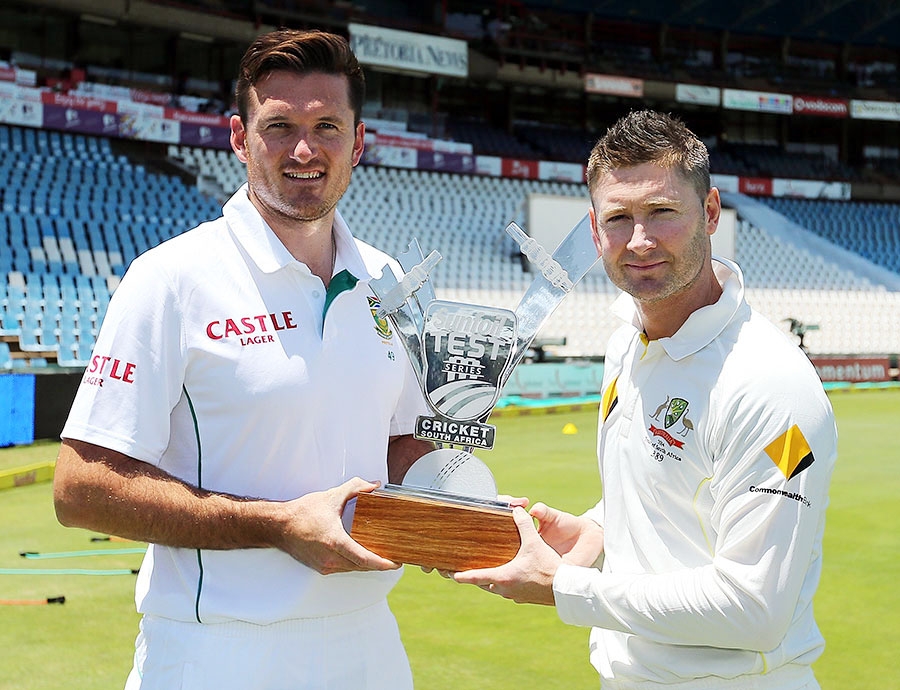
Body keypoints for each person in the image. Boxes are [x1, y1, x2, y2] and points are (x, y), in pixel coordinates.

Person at [53, 29, 433, 690]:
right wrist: (277, 526)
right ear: (238, 136)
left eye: (327, 126)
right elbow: (81, 488)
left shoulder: (385, 276)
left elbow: (402, 442)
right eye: (279, 126)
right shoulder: (172, 277)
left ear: (359, 141)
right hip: (217, 652)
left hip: (371, 643)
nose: (305, 150)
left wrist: (468, 504)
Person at [455, 110, 838, 689]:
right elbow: (672, 499)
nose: (639, 240)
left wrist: (565, 588)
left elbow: (755, 610)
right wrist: (592, 532)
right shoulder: (623, 348)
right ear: (593, 230)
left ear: (710, 213)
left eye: (662, 212)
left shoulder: (769, 383)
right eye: (619, 217)